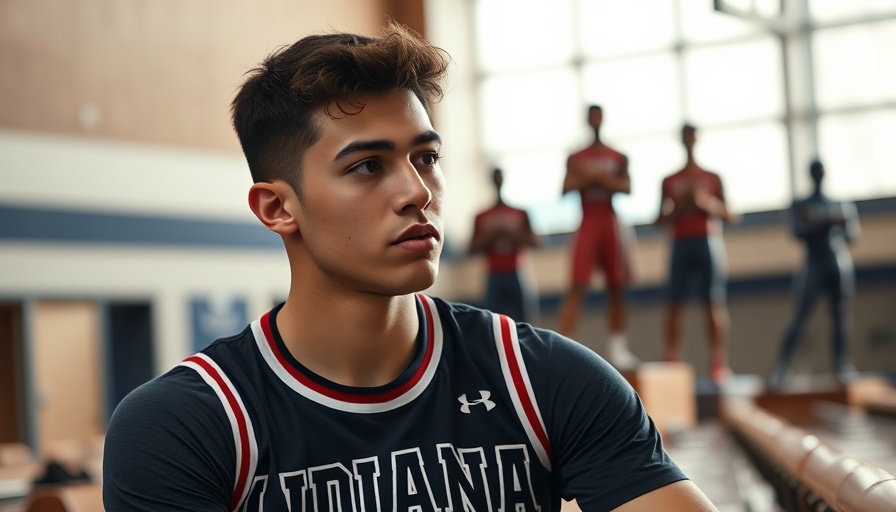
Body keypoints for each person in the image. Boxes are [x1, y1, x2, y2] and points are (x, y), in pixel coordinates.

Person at [103, 23, 719, 511]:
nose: (417, 192)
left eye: (425, 158)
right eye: (367, 165)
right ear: (277, 208)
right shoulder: (186, 426)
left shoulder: (541, 379)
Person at [557, 105, 640, 370]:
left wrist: (595, 178)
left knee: (616, 284)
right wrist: (597, 180)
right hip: (588, 220)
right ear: (587, 121)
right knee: (577, 282)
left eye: (598, 117)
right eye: (590, 117)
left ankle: (617, 346)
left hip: (610, 221)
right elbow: (566, 187)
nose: (594, 121)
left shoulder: (617, 156)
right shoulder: (576, 157)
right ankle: (562, 345)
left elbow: (626, 187)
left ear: (602, 120)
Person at [769, 159, 860, 390]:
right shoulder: (801, 204)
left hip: (837, 262)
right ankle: (782, 367)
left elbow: (851, 234)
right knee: (800, 316)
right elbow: (799, 231)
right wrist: (829, 222)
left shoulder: (841, 204)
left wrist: (821, 222)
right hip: (813, 263)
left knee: (840, 316)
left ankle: (842, 365)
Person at [655, 123, 734, 384]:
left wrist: (704, 203)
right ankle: (672, 359)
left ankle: (718, 362)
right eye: (685, 136)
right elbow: (658, 221)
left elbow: (731, 215)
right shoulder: (669, 180)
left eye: (692, 136)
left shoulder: (712, 177)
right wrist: (679, 206)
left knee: (713, 301)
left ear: (697, 139)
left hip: (706, 240)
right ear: (681, 140)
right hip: (680, 242)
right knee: (674, 303)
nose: (689, 140)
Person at [469, 167, 539, 323]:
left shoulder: (520, 213)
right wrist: (492, 236)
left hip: (517, 271)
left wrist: (510, 235)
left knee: (525, 321)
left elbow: (535, 241)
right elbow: (471, 248)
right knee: (491, 322)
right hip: (493, 274)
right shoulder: (481, 216)